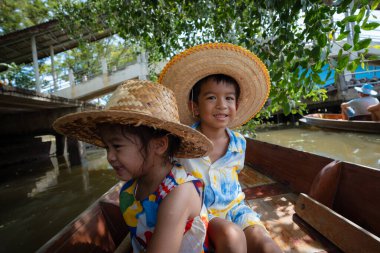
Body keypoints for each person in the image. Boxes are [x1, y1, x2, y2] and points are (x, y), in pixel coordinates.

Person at [53, 80, 213, 253]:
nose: (110, 157)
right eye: (107, 147)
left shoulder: (179, 194)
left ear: (159, 145)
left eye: (117, 146)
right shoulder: (131, 189)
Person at [159, 43, 282, 253]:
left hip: (235, 209)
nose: (222, 105)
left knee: (268, 246)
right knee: (232, 237)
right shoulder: (181, 142)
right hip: (201, 215)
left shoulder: (239, 144)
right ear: (195, 107)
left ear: (236, 105)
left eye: (229, 98)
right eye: (211, 97)